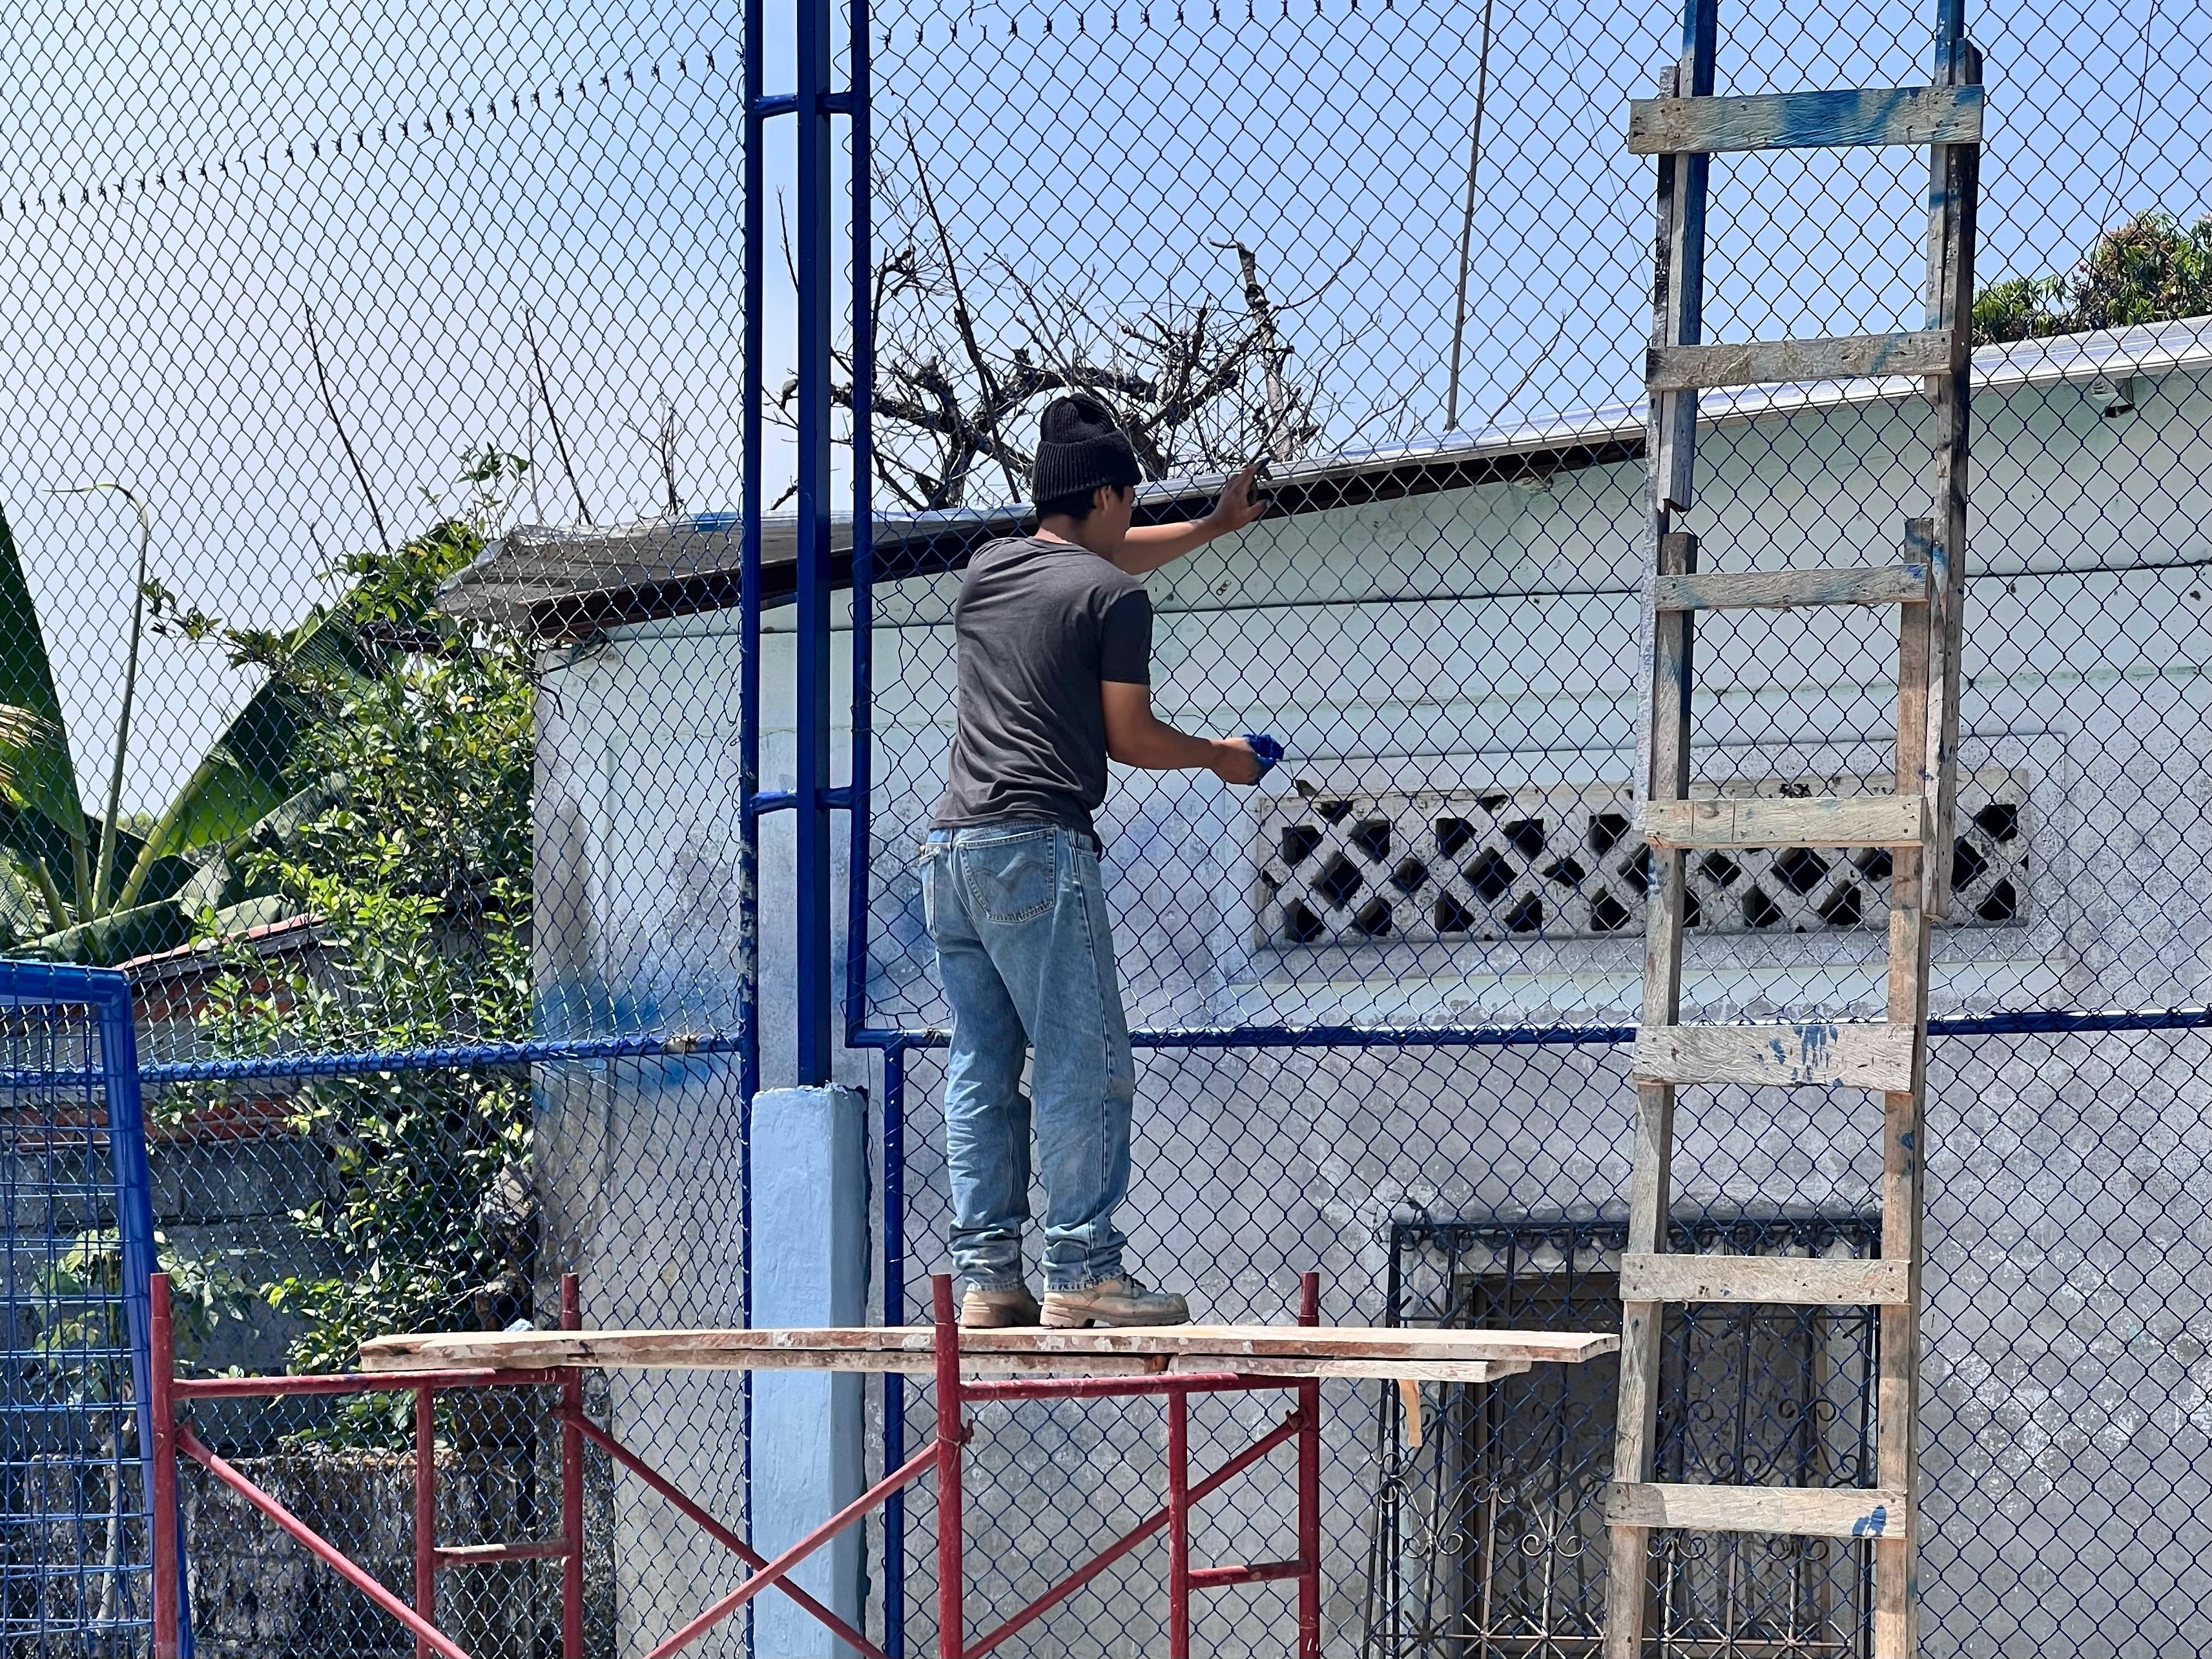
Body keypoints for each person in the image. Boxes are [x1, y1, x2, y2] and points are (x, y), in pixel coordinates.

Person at [920, 393, 1270, 1328]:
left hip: (952, 849)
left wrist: (1213, 526)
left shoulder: (986, 572)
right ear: (1110, 495)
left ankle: (988, 1278)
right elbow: (1130, 736)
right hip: (1039, 844)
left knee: (981, 1064)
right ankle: (1082, 1269)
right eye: (1131, 501)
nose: (1133, 520)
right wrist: (1219, 756)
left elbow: (1095, 560)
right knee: (1084, 1060)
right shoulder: (1116, 600)